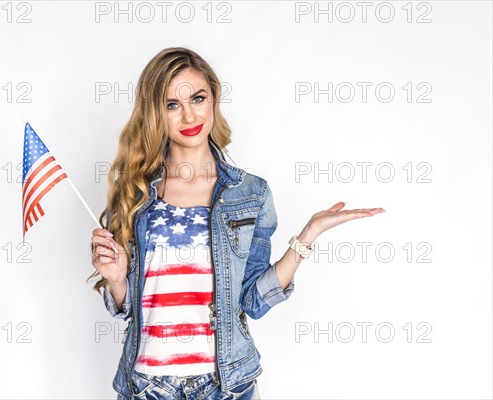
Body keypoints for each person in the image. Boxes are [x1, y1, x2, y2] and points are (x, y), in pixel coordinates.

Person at [88, 47, 385, 400]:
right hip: (150, 387)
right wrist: (117, 279)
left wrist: (308, 235)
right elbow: (128, 308)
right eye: (172, 104)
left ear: (213, 97)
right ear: (155, 113)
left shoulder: (251, 194)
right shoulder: (135, 192)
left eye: (198, 98)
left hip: (226, 386)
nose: (189, 115)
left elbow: (252, 300)